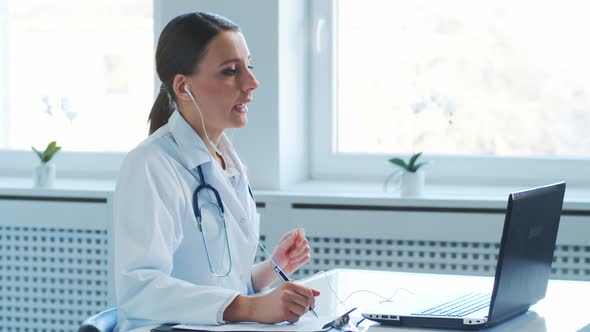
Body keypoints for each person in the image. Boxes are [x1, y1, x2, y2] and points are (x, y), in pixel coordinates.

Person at [113, 12, 318, 332]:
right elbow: (140, 291)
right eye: (230, 71)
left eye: (248, 66)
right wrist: (251, 306)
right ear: (183, 87)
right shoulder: (150, 165)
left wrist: (271, 269)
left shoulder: (227, 160)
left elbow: (216, 281)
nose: (252, 83)